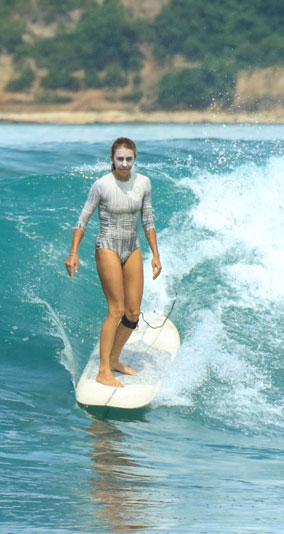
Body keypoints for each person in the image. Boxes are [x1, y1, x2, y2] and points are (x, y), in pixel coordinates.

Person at [65, 137, 162, 388]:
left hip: (132, 247)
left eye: (129, 159)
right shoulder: (101, 185)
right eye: (120, 159)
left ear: (135, 158)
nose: (124, 163)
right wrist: (73, 253)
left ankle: (115, 359)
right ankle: (103, 371)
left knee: (132, 313)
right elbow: (82, 220)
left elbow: (148, 221)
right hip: (107, 246)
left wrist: (156, 255)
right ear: (112, 159)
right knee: (116, 309)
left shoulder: (143, 183)